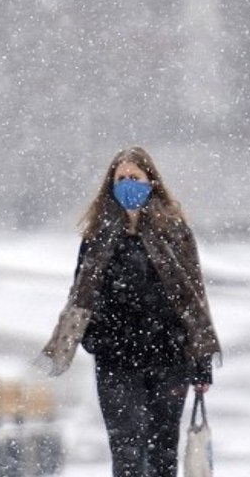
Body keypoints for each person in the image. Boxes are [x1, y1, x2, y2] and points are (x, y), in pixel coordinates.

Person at [39, 146, 221, 477]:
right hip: (116, 361)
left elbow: (193, 297)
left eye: (134, 177)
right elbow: (81, 293)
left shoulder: (174, 231)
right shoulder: (98, 234)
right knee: (126, 453)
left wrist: (201, 362)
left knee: (162, 453)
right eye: (120, 178)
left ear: (151, 180)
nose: (127, 184)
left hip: (169, 357)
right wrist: (95, 338)